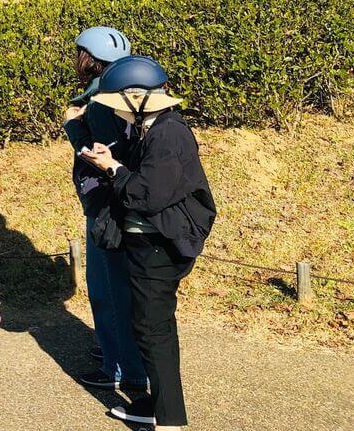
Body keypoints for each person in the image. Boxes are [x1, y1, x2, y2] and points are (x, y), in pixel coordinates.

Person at [82, 55, 216, 431]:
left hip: (160, 247)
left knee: (153, 329)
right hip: (151, 243)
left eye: (116, 105)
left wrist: (112, 168)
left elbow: (146, 194)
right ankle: (159, 405)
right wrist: (114, 161)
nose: (115, 115)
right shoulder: (152, 128)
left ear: (137, 99)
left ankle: (169, 419)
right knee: (151, 327)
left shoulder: (168, 132)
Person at [61, 27, 148, 393]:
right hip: (130, 199)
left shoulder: (101, 103)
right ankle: (120, 353)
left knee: (107, 289)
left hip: (106, 205)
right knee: (123, 286)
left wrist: (73, 127)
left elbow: (99, 156)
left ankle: (122, 369)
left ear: (90, 59)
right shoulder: (132, 93)